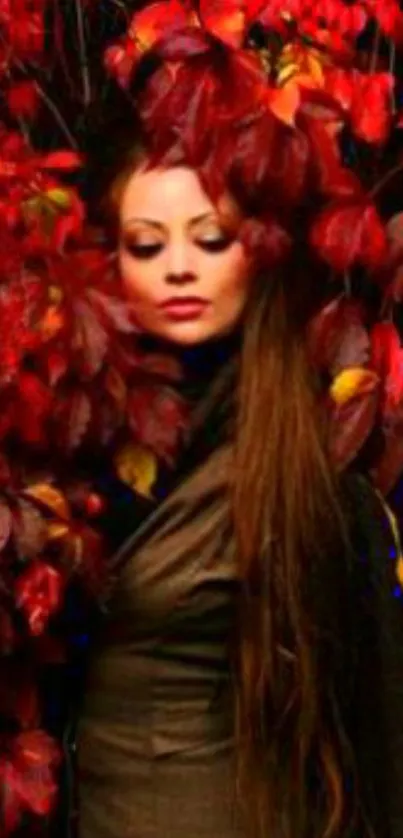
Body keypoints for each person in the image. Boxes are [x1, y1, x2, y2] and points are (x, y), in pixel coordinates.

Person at [63, 9, 403, 838]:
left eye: (209, 238)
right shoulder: (68, 440)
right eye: (146, 246)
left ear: (255, 248)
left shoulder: (308, 451)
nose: (179, 266)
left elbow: (380, 733)